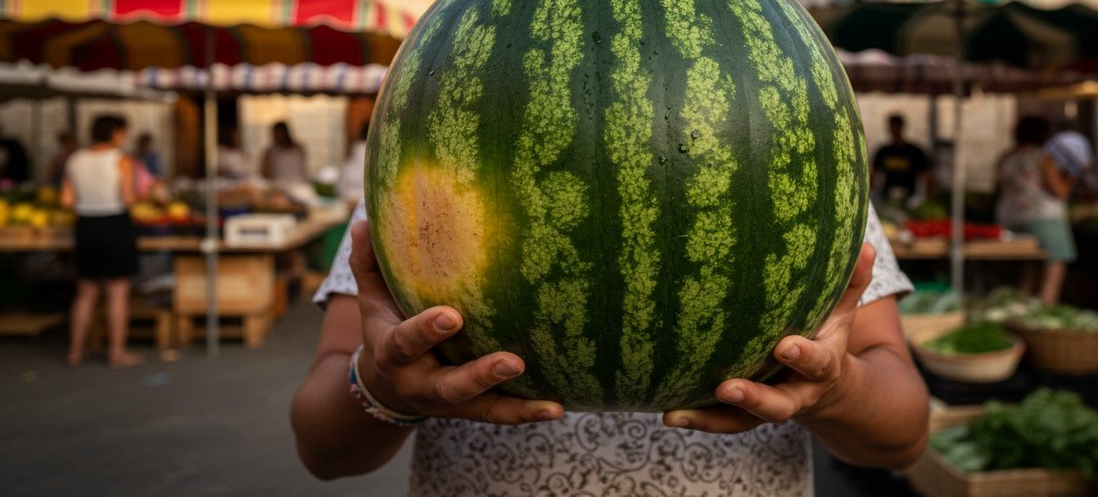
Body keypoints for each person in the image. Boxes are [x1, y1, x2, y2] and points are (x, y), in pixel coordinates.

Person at [291, 202, 929, 493]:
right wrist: (383, 386)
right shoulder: (422, 157)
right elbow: (321, 451)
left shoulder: (807, 155)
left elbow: (904, 438)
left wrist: (832, 387)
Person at [61, 115, 141, 368]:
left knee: (86, 292)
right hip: (115, 224)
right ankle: (116, 352)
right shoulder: (121, 159)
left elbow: (66, 200)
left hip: (86, 225)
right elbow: (128, 198)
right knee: (117, 292)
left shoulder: (75, 159)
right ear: (116, 132)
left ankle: (75, 352)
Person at [995, 116, 1076, 304]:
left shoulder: (1006, 157)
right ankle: (1046, 310)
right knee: (1053, 266)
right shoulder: (1042, 157)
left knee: (1028, 268)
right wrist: (1071, 178)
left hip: (1011, 217)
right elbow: (1059, 191)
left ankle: (1020, 310)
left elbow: (997, 187)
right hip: (1043, 216)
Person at [872, 114, 931, 205]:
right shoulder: (883, 151)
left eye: (896, 127)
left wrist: (926, 199)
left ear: (901, 127)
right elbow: (874, 175)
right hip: (886, 198)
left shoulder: (914, 151)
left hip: (910, 199)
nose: (894, 130)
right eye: (892, 127)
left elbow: (926, 176)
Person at [1044, 119, 1097, 199]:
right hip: (1080, 173)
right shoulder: (1081, 138)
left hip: (1062, 174)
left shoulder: (1053, 140)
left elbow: (1047, 157)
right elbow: (1088, 159)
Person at [336, 122, 369, 204]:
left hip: (348, 200)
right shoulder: (375, 154)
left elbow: (340, 187)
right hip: (367, 202)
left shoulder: (353, 153)